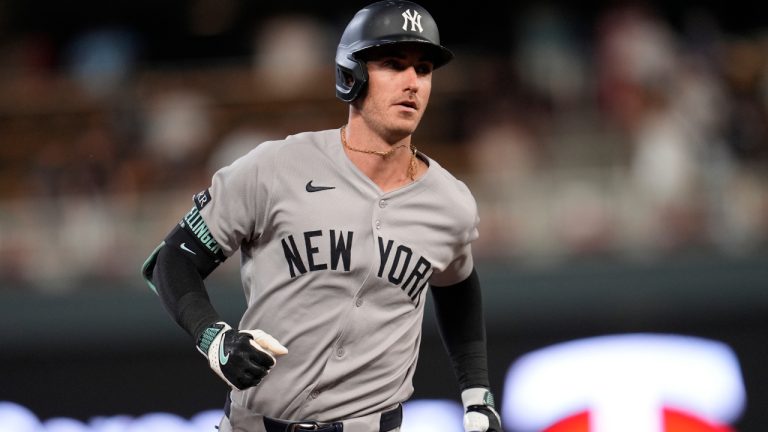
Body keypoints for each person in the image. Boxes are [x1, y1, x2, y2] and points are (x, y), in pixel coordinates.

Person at [141, 1, 502, 431]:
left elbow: (459, 285)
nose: (412, 82)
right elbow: (173, 259)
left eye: (423, 69)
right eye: (392, 64)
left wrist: (476, 394)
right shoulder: (275, 166)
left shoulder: (449, 202)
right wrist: (214, 338)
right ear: (352, 74)